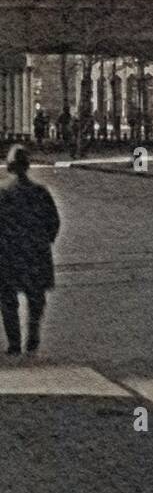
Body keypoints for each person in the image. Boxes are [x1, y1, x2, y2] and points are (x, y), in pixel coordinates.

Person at [0, 145, 61, 356]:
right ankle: (33, 336)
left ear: (10, 166)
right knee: (36, 298)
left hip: (9, 253)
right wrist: (44, 241)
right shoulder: (40, 191)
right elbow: (54, 222)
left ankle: (14, 342)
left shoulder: (3, 192)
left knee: (8, 299)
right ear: (27, 166)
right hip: (35, 252)